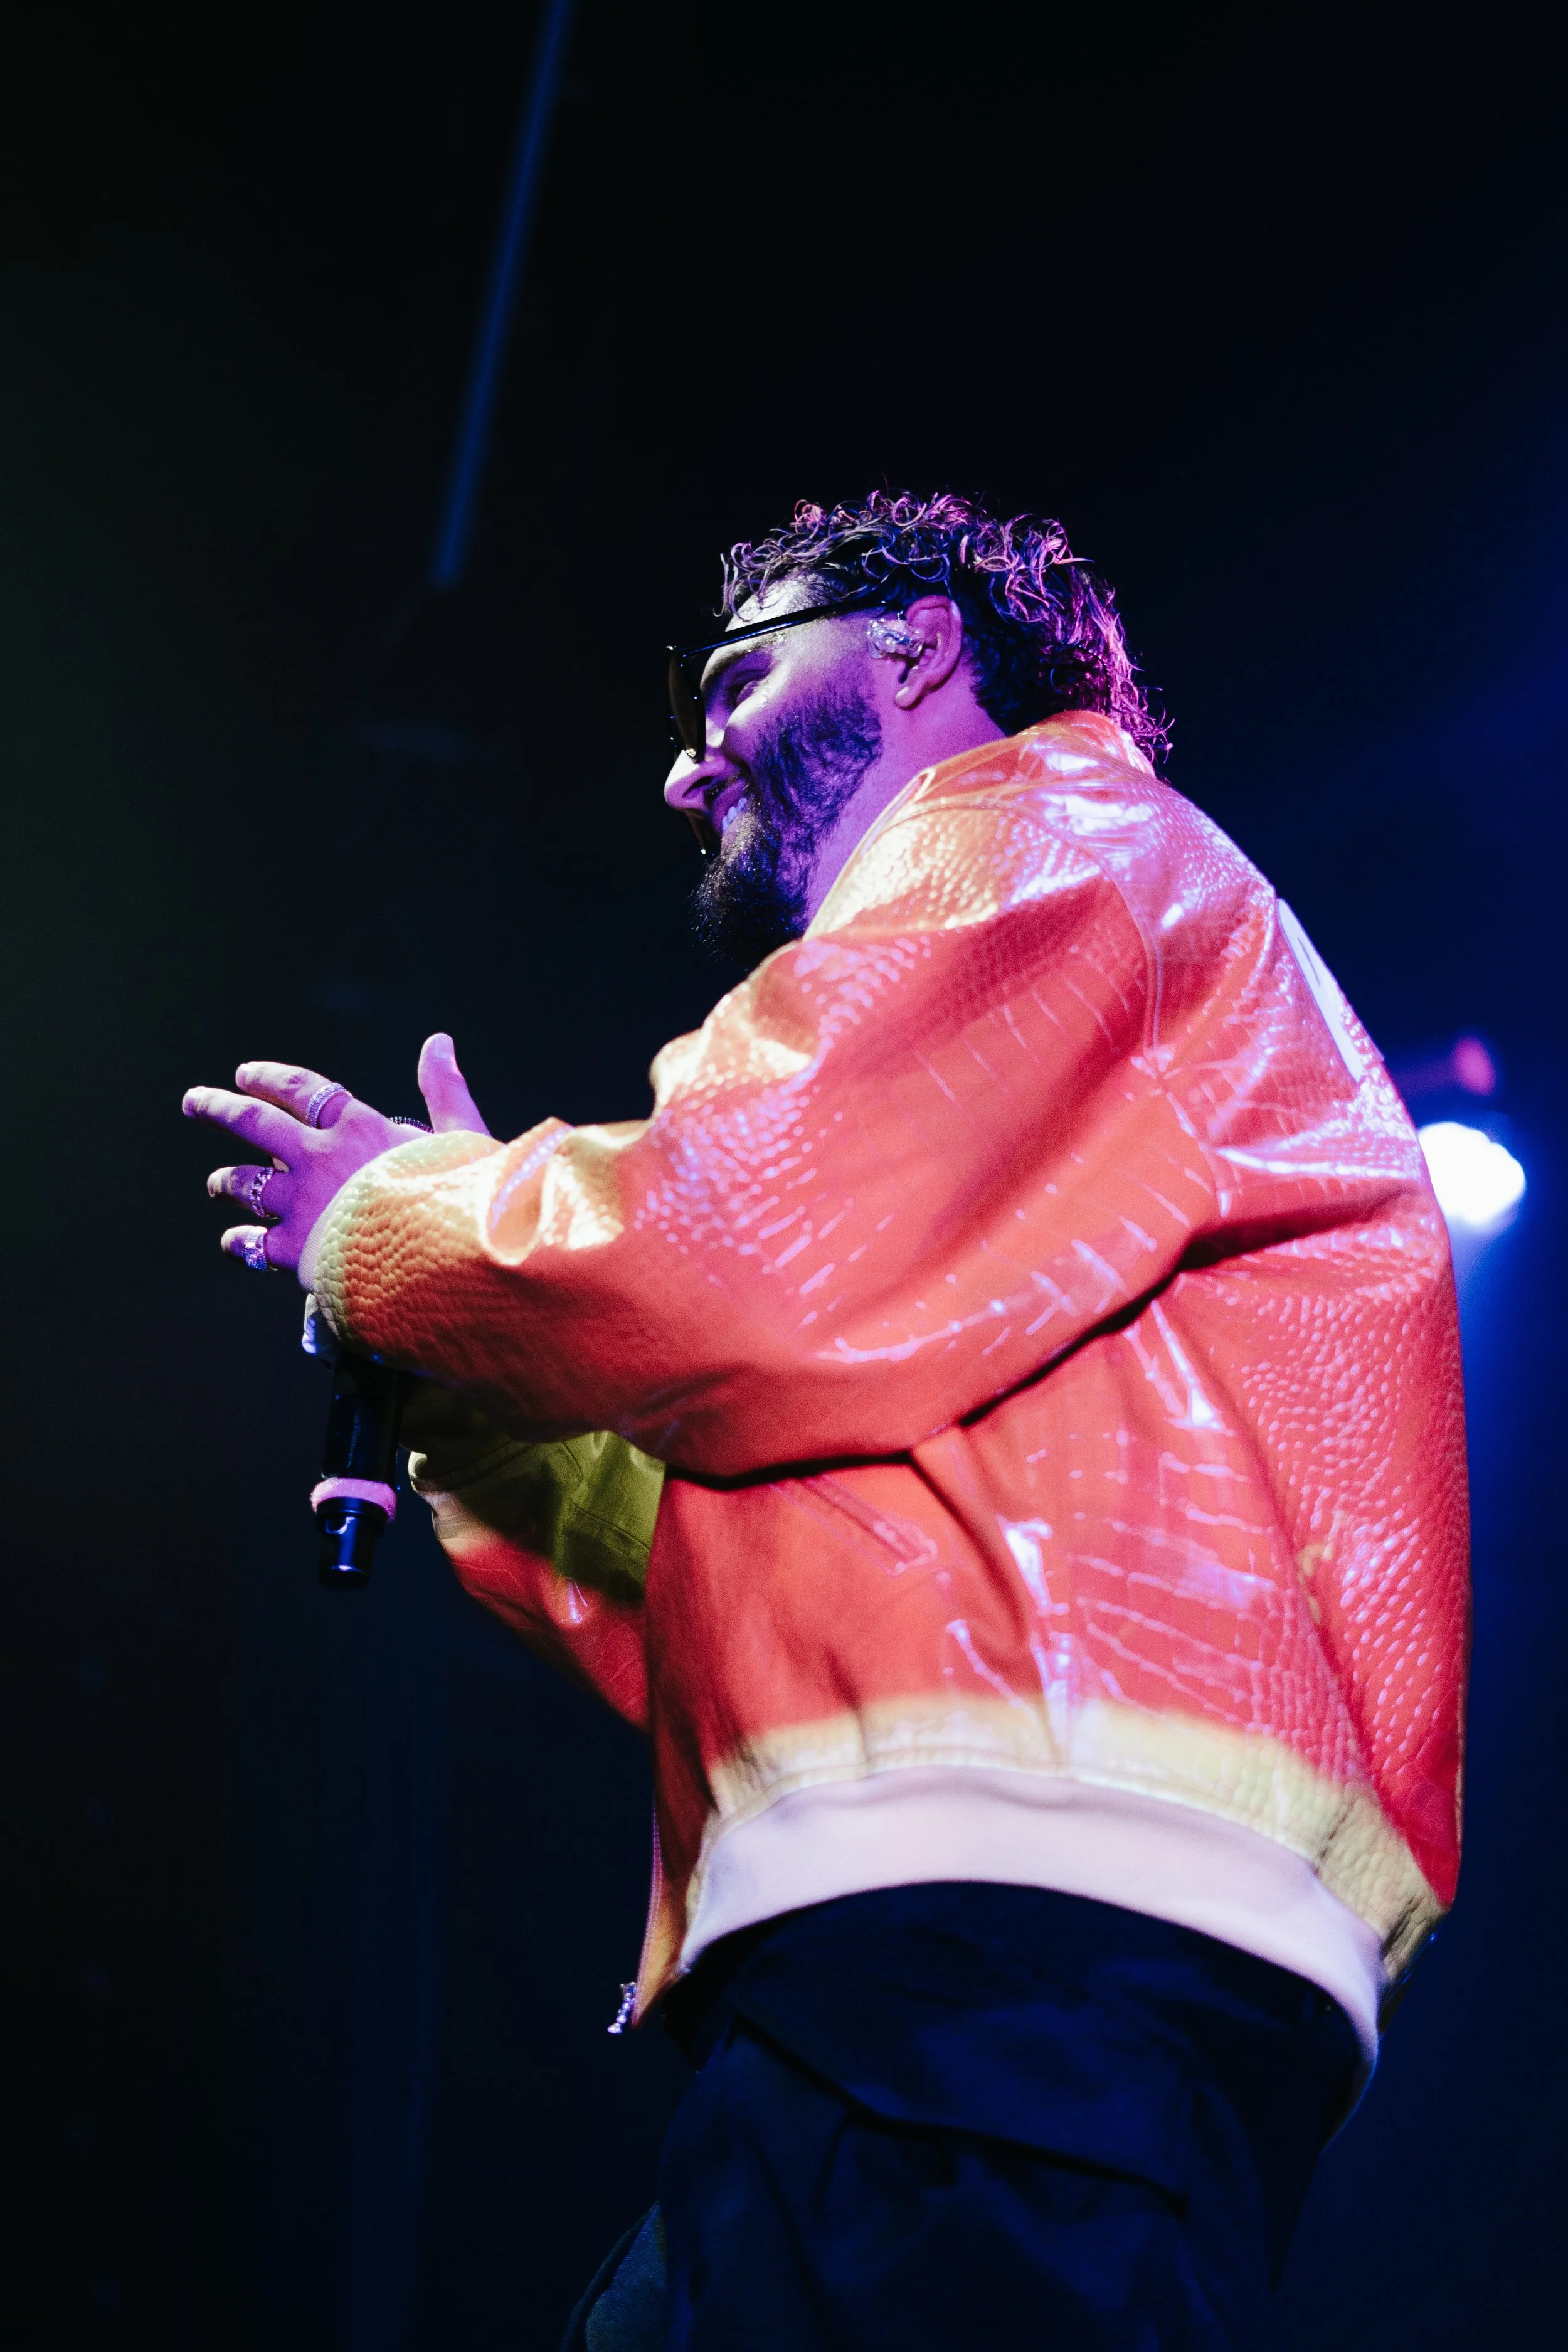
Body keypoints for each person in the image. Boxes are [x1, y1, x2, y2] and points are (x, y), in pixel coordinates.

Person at [184, 490, 1468, 2350]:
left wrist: (403, 1224)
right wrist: (473, 1365)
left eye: (735, 684)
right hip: (950, 1961)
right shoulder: (1018, 1061)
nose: (684, 770)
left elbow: (731, 1247)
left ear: (916, 646)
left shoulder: (1041, 840)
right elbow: (727, 1524)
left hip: (1022, 1950)